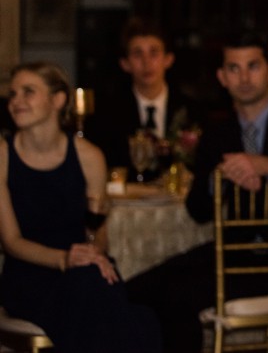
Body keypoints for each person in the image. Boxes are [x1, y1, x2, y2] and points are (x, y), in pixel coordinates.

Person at [126, 31, 268, 353]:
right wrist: (221, 178)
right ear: (222, 78)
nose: (244, 77)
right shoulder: (217, 135)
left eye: (253, 66)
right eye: (234, 68)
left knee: (177, 297)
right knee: (139, 290)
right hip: (234, 255)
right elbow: (197, 211)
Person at [0, 62, 162, 353]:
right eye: (13, 94)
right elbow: (11, 242)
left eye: (28, 92)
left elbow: (98, 231)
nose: (16, 101)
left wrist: (94, 253)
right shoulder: (2, 155)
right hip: (29, 276)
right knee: (133, 321)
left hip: (83, 268)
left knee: (122, 306)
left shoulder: (89, 156)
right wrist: (65, 259)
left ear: (58, 100)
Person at [87, 17, 202, 180]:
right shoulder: (108, 114)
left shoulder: (192, 110)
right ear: (125, 64)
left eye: (154, 53)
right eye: (137, 54)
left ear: (168, 59)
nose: (146, 63)